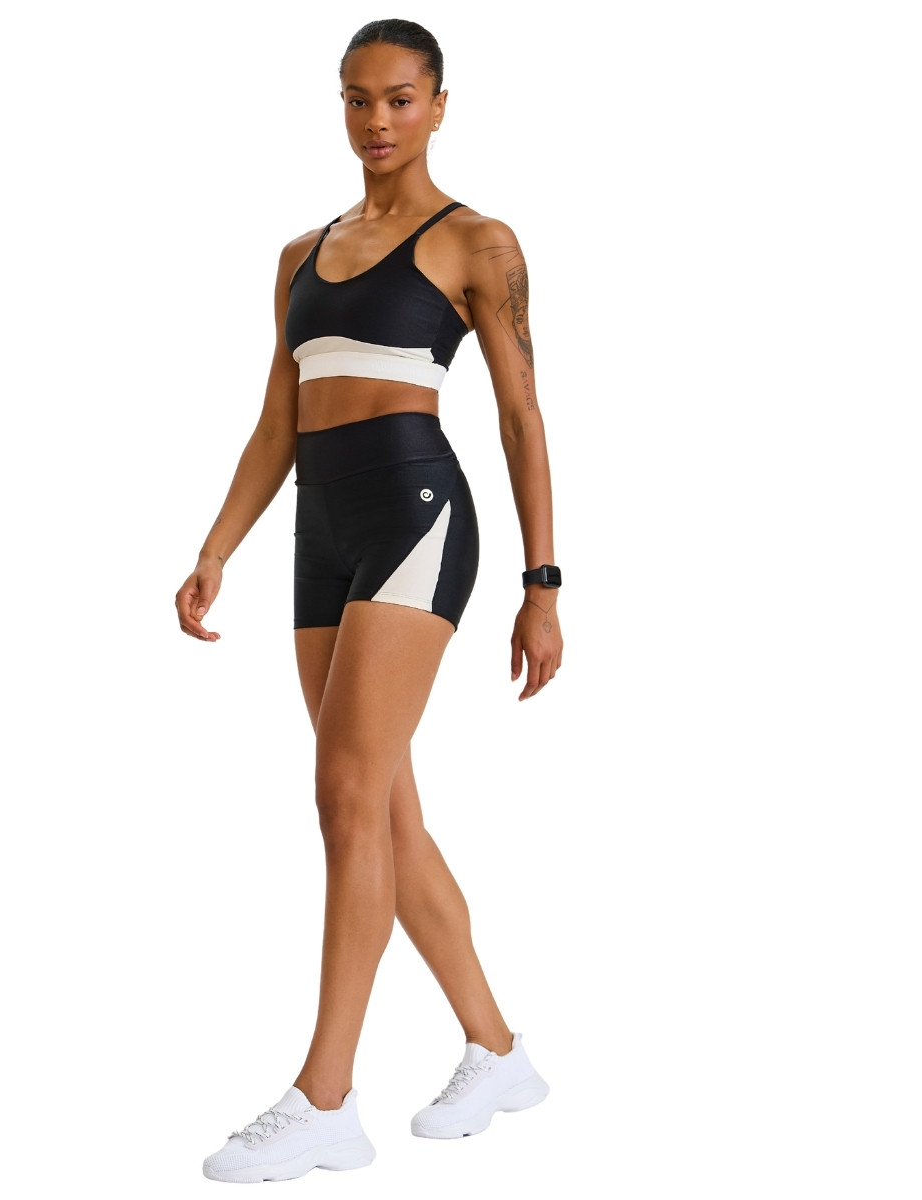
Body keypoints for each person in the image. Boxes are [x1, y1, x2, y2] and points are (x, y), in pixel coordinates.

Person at [175, 19, 563, 1184]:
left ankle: (325, 1097)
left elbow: (522, 415)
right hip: (322, 533)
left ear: (439, 105)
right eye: (358, 98)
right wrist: (217, 547)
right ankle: (498, 1051)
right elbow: (277, 420)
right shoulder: (301, 254)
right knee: (384, 814)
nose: (378, 120)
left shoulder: (477, 243)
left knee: (344, 796)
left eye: (400, 98)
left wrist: (543, 584)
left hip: (417, 517)